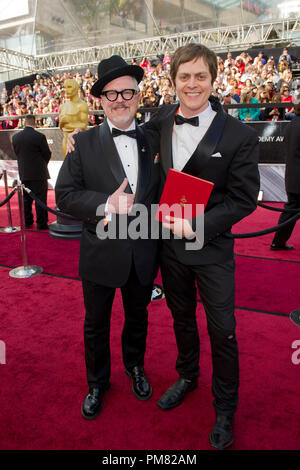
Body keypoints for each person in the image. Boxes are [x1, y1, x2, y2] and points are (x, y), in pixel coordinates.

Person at [145, 43, 260, 450]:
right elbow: (127, 144)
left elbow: (245, 199)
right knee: (180, 317)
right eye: (184, 77)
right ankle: (187, 374)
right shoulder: (159, 119)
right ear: (173, 80)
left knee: (223, 330)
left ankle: (225, 407)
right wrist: (84, 143)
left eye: (200, 76)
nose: (192, 84)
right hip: (169, 251)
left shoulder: (240, 135)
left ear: (213, 79)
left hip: (211, 251)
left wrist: (198, 225)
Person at [55, 55, 160, 420]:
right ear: (101, 100)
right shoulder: (82, 144)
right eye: (111, 94)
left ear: (137, 95)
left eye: (127, 91)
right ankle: (97, 383)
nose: (120, 99)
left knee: (138, 317)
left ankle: (135, 366)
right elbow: (65, 196)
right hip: (100, 254)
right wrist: (105, 203)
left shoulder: (153, 138)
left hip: (144, 252)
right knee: (95, 323)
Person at [12, 114, 51, 230]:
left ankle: (28, 222)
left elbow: (17, 154)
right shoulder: (39, 136)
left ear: (25, 123)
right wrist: (42, 165)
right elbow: (47, 154)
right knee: (40, 199)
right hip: (39, 173)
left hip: (24, 173)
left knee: (26, 199)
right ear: (34, 123)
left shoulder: (15, 137)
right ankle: (41, 224)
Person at [270, 102, 300, 251]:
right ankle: (277, 242)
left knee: (290, 212)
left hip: (292, 176)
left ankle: (277, 242)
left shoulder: (291, 125)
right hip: (297, 177)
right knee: (290, 212)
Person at [59, 79, 89, 157]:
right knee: (66, 166)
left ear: (76, 88)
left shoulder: (82, 105)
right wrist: (63, 122)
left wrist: (68, 121)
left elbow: (84, 126)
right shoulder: (62, 107)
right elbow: (61, 127)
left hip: (77, 142)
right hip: (65, 141)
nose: (66, 90)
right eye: (65, 87)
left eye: (69, 87)